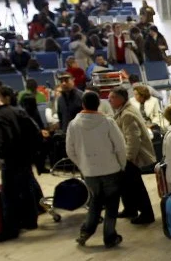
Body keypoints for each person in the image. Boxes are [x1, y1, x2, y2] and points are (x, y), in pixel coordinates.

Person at [66, 91, 126, 248]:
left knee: (95, 202)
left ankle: (86, 231)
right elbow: (120, 146)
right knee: (112, 205)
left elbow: (70, 150)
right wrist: (122, 164)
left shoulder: (73, 124)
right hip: (111, 170)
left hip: (90, 173)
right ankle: (109, 236)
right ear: (98, 104)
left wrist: (83, 164)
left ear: (83, 105)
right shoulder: (107, 122)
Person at [0, 89, 41, 241]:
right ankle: (30, 221)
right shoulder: (17, 110)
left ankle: (11, 229)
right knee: (27, 189)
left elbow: (5, 141)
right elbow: (35, 131)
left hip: (12, 161)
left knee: (9, 195)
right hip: (25, 159)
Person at [108, 87, 155, 224]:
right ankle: (130, 209)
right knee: (125, 185)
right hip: (125, 156)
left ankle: (147, 214)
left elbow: (133, 139)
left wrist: (128, 159)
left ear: (120, 99)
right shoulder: (122, 110)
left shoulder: (127, 114)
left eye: (112, 97)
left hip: (132, 157)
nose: (109, 100)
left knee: (136, 187)